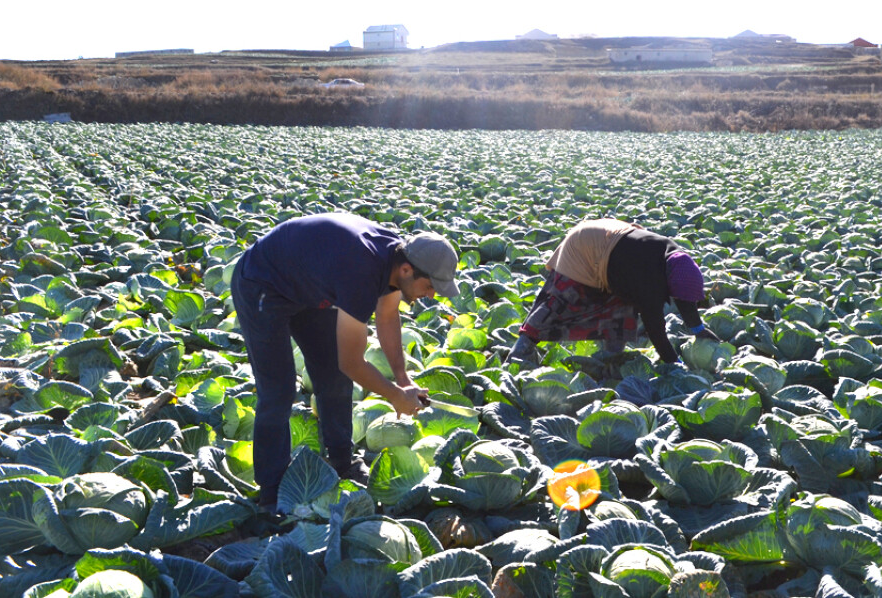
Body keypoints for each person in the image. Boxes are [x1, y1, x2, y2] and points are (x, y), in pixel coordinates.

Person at [230, 213, 460, 510]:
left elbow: (388, 316)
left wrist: (402, 379)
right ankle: (271, 491)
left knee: (333, 378)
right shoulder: (361, 271)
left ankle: (342, 460)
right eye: (429, 287)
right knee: (279, 389)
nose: (430, 296)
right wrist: (393, 396)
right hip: (262, 284)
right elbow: (351, 361)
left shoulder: (395, 263)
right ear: (407, 270)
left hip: (308, 286)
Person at [509, 218, 719, 365]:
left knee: (622, 305)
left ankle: (611, 357)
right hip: (585, 246)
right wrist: (674, 362)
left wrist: (698, 330)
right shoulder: (648, 278)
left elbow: (684, 296)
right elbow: (655, 327)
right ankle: (521, 349)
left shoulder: (675, 259)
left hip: (611, 238)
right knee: (562, 301)